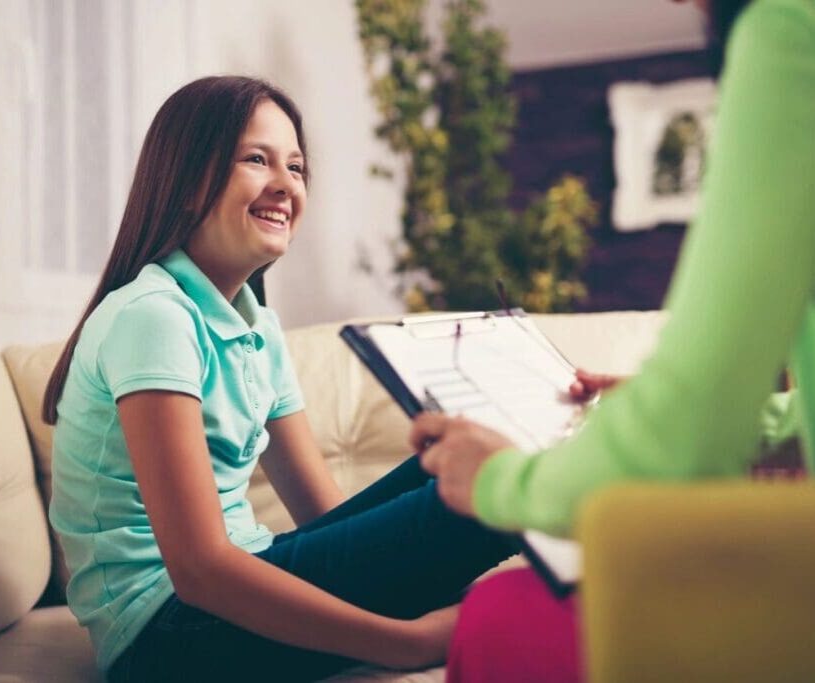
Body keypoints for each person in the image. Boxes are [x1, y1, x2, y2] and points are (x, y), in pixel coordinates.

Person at [410, 0, 815, 680]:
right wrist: (704, 404)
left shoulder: (808, 32)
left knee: (500, 617)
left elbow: (689, 436)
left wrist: (500, 478)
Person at [42, 76, 514, 682]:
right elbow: (200, 571)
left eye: (296, 166)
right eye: (256, 159)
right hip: (164, 636)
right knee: (494, 484)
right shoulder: (152, 316)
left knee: (466, 460)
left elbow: (326, 520)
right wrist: (406, 641)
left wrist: (410, 559)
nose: (286, 184)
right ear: (187, 183)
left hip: (240, 579)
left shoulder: (256, 327)